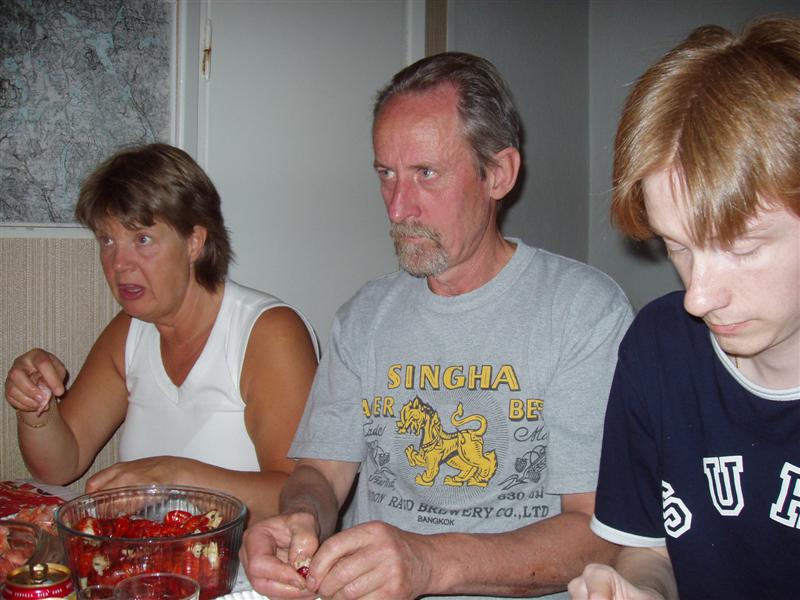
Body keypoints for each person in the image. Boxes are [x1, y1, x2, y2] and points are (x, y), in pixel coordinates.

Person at [241, 52, 633, 600]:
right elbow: (320, 472)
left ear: (499, 174)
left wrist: (428, 562)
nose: (398, 208)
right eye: (386, 174)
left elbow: (600, 534)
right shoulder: (364, 316)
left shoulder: (582, 310)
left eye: (426, 173)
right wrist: (301, 518)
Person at [568, 16, 800, 600]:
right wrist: (641, 590)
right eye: (678, 247)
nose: (697, 297)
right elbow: (650, 549)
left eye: (742, 248)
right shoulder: (659, 346)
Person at [4, 143, 319, 524]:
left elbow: (298, 497)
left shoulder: (269, 333)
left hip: (248, 561)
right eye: (107, 240)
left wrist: (174, 476)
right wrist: (35, 407)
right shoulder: (130, 330)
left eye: (142, 239)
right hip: (146, 557)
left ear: (194, 242)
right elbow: (60, 466)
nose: (119, 264)